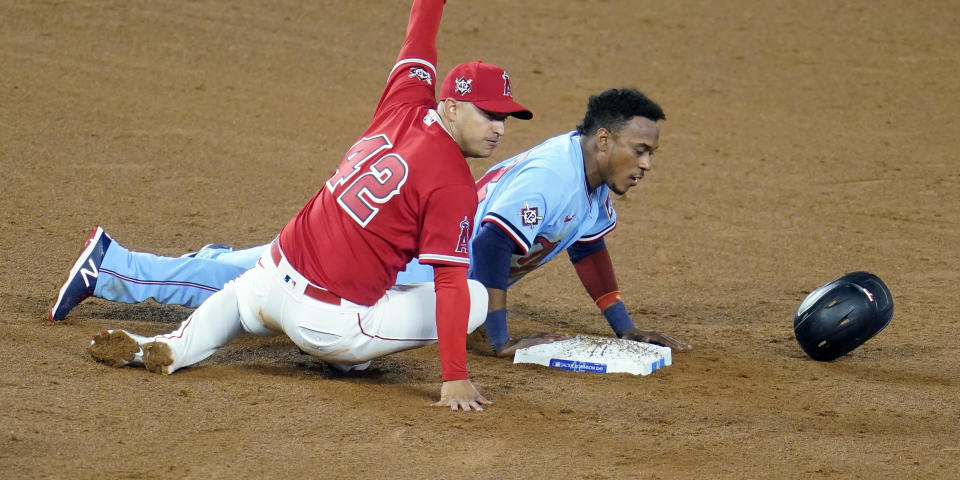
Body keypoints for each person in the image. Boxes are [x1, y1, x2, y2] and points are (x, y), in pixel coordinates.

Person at [81, 0, 535, 412]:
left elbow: (421, 33)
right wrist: (454, 378)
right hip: (327, 325)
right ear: (452, 107)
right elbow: (452, 286)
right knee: (475, 294)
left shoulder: (405, 102)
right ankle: (347, 355)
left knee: (238, 301)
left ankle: (166, 348)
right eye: (488, 114)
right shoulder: (455, 184)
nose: (499, 128)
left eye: (505, 117)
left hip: (268, 281)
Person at [55, 91, 691, 356]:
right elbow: (493, 247)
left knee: (251, 273)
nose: (647, 163)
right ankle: (111, 266)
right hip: (410, 263)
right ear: (603, 141)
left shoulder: (592, 183)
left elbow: (588, 251)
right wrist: (495, 333)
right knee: (251, 293)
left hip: (422, 264)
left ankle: (214, 257)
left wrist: (625, 326)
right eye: (641, 150)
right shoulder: (552, 178)